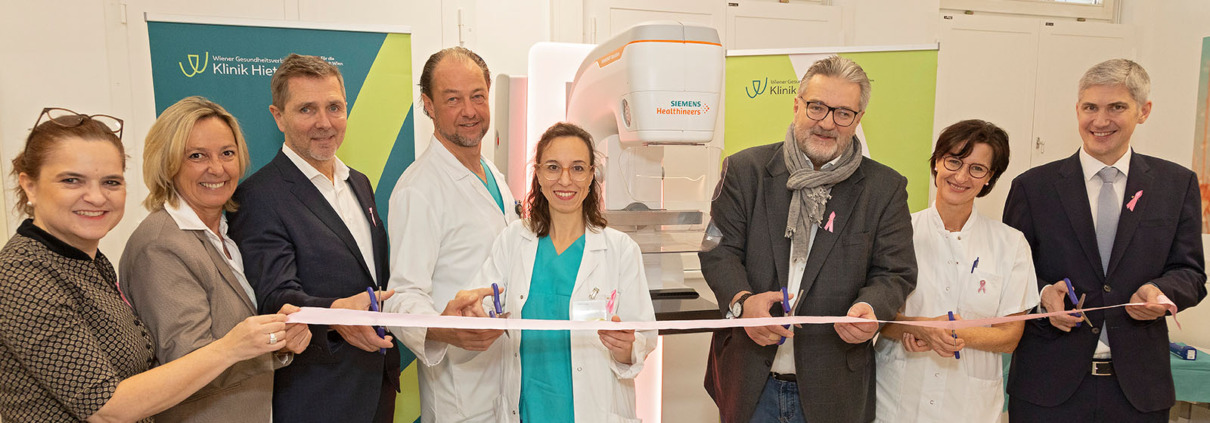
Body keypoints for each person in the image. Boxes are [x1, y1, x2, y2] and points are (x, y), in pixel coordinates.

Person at [0, 108, 290, 422]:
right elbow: (106, 408)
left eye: (111, 182)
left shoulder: (86, 262)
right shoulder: (21, 277)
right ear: (29, 185)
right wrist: (233, 346)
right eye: (72, 181)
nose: (97, 197)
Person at [700, 55, 916, 423]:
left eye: (843, 113)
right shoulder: (744, 171)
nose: (827, 123)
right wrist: (742, 303)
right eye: (817, 107)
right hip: (751, 382)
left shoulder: (884, 188)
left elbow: (895, 272)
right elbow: (718, 251)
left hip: (835, 389)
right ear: (797, 105)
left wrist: (872, 308)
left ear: (858, 119)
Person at [1003, 58, 1207, 421]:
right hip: (1048, 391)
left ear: (1144, 111)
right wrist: (1042, 295)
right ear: (1077, 110)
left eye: (1117, 107)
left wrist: (1161, 293)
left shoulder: (1176, 185)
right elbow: (1009, 272)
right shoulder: (1033, 188)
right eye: (1090, 107)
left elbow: (1190, 273)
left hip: (1139, 393)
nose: (1100, 121)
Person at [228, 53, 400, 422]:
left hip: (377, 387)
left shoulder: (360, 183)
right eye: (307, 109)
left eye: (334, 107)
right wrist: (333, 314)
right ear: (278, 116)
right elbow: (275, 296)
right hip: (318, 395)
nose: (324, 123)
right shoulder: (259, 196)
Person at [119, 96, 311, 422]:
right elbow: (188, 365)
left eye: (227, 153)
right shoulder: (161, 246)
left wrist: (279, 337)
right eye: (197, 156)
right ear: (168, 164)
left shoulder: (225, 231)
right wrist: (273, 344)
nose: (218, 168)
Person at [470, 122, 656, 422]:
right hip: (528, 407)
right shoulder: (513, 240)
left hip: (595, 409)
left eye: (578, 168)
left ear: (592, 175)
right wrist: (475, 314)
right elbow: (484, 306)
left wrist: (626, 347)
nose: (565, 180)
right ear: (539, 175)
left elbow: (643, 338)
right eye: (553, 167)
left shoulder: (621, 250)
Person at [383, 46, 517, 422]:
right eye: (453, 99)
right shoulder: (418, 189)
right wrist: (446, 329)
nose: (469, 111)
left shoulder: (493, 174)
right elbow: (402, 296)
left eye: (477, 96)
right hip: (460, 393)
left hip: (506, 377)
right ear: (428, 104)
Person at [873, 119, 1038, 422]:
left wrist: (950, 333)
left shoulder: (1010, 244)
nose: (961, 175)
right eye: (954, 161)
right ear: (936, 162)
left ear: (990, 178)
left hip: (969, 407)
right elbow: (878, 318)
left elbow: (1010, 335)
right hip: (897, 400)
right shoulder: (897, 232)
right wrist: (917, 326)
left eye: (977, 168)